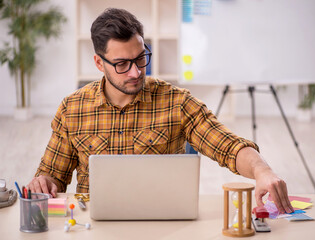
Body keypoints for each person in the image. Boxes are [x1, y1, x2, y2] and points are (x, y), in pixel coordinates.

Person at [27, 8, 294, 214]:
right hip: (92, 224)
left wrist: (263, 171)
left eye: (141, 58)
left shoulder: (176, 102)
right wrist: (43, 182)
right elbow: (52, 177)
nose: (136, 72)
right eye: (122, 64)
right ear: (99, 63)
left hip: (163, 222)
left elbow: (228, 146)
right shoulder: (72, 108)